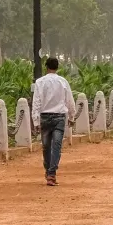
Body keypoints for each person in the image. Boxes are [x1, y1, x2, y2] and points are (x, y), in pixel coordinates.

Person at [31, 56, 77, 186]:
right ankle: (52, 173)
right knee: (56, 145)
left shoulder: (40, 82)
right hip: (59, 117)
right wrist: (72, 116)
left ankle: (48, 171)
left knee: (46, 147)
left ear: (46, 67)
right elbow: (69, 100)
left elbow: (36, 102)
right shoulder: (63, 82)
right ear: (57, 67)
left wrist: (36, 120)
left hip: (45, 117)